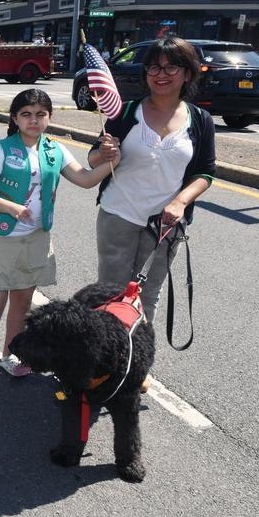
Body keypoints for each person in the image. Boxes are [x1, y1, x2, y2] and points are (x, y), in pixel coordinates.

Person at [0, 89, 121, 385]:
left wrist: (114, 161)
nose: (34, 120)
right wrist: (12, 207)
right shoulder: (0, 149)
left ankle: (8, 354)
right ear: (14, 118)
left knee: (22, 302)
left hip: (37, 236)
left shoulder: (55, 150)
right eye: (26, 114)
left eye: (40, 114)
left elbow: (85, 179)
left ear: (49, 118)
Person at [89, 35, 216, 325]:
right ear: (145, 73)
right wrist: (103, 153)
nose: (162, 75)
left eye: (172, 67)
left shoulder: (200, 120)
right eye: (154, 68)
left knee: (147, 294)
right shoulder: (126, 112)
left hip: (165, 224)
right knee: (110, 293)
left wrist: (180, 202)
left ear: (187, 73)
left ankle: (137, 364)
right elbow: (93, 158)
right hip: (118, 215)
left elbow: (206, 172)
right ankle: (106, 363)